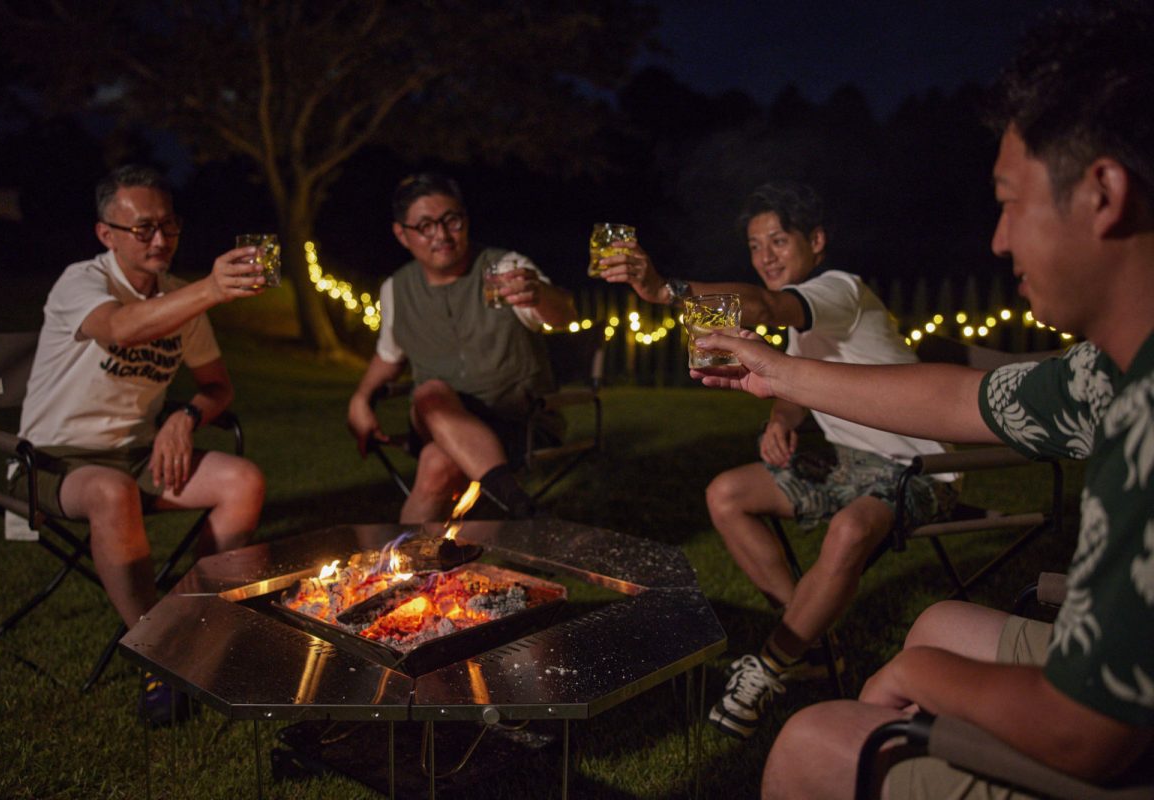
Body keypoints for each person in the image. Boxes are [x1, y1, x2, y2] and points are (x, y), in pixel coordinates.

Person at [692, 3, 1154, 795]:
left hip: (1110, 741)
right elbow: (960, 397)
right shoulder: (1105, 373)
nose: (998, 240)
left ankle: (787, 663)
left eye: (1009, 202)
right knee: (935, 621)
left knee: (814, 740)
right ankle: (803, 631)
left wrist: (921, 679)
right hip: (1103, 669)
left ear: (1103, 192)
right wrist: (780, 382)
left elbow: (1090, 733)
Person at [603, 181, 958, 740]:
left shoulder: (839, 290)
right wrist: (778, 421)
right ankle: (811, 640)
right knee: (727, 493)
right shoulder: (804, 325)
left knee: (847, 529)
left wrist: (665, 291)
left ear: (815, 241)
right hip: (848, 461)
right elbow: (795, 389)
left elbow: (765, 306)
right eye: (754, 244)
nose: (765, 256)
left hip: (916, 467)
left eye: (778, 240)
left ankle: (769, 667)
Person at [14, 164, 267, 723]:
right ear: (106, 233)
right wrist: (211, 289)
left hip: (138, 453)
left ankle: (200, 625)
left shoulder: (180, 299)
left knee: (242, 480)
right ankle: (160, 653)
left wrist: (184, 415)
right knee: (110, 492)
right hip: (56, 459)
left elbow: (217, 386)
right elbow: (121, 328)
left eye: (170, 226)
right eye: (143, 228)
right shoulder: (81, 282)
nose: (160, 240)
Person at [346, 173, 577, 523]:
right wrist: (360, 398)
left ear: (465, 220)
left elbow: (563, 314)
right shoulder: (397, 288)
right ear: (402, 234)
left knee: (437, 463)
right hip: (437, 416)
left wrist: (541, 294)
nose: (441, 235)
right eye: (425, 226)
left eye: (450, 220)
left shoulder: (505, 269)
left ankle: (401, 568)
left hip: (518, 423)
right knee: (431, 393)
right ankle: (518, 505)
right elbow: (389, 354)